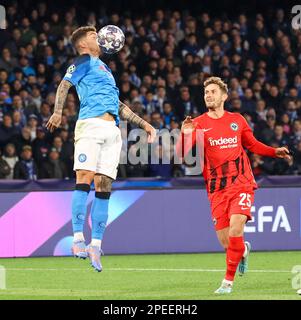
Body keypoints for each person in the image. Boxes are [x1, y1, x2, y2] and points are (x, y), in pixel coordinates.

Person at [46, 26, 156, 272]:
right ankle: (77, 239)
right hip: (91, 126)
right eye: (94, 36)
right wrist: (57, 111)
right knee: (84, 179)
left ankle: (96, 243)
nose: (100, 38)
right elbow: (64, 85)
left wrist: (144, 124)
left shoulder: (105, 69)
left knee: (104, 185)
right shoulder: (83, 60)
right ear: (83, 44)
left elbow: (118, 105)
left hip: (112, 131)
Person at [177, 77, 290, 294]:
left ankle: (227, 283)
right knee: (228, 244)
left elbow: (252, 144)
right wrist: (185, 134)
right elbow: (182, 155)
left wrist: (274, 151)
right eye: (206, 92)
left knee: (237, 227)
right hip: (216, 190)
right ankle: (244, 251)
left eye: (212, 92)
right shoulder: (198, 123)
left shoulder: (237, 120)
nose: (208, 95)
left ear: (224, 96)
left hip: (241, 183)